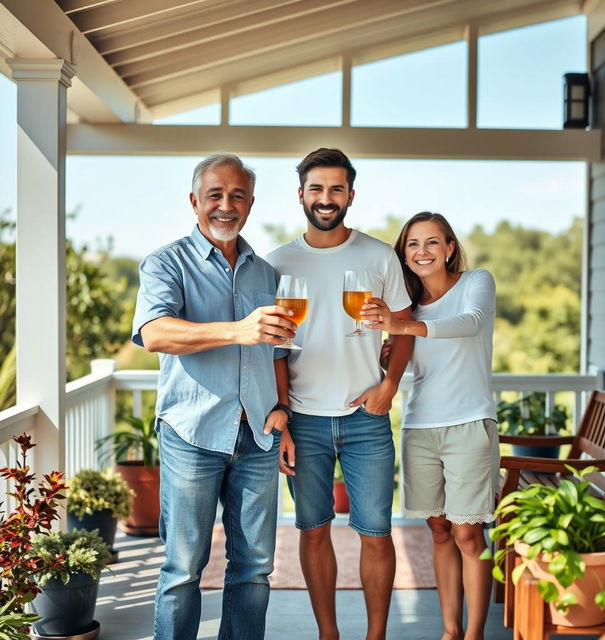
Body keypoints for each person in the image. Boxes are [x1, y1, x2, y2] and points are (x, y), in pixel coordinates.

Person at [131, 153, 297, 640]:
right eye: (215, 195)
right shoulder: (165, 262)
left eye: (238, 195)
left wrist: (282, 411)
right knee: (182, 569)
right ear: (194, 202)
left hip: (260, 437)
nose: (227, 205)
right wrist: (237, 330)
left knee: (254, 569)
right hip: (192, 434)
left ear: (250, 203)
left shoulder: (265, 273)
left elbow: (279, 352)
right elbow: (156, 332)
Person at [266, 148, 414, 640]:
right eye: (316, 189)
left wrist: (389, 384)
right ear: (300, 195)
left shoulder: (378, 256)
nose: (325, 199)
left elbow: (406, 326)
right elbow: (276, 352)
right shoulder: (277, 263)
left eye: (336, 189)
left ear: (351, 195)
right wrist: (283, 414)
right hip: (304, 420)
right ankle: (328, 634)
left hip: (365, 418)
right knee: (312, 529)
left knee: (376, 533)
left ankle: (376, 637)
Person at [362, 212, 499, 640]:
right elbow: (405, 364)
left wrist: (401, 326)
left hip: (469, 424)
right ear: (404, 254)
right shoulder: (406, 310)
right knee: (439, 531)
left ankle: (474, 634)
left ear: (450, 248)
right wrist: (387, 353)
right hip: (420, 429)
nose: (422, 252)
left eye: (432, 243)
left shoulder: (476, 283)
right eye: (412, 245)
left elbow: (470, 324)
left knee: (468, 534)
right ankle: (450, 631)